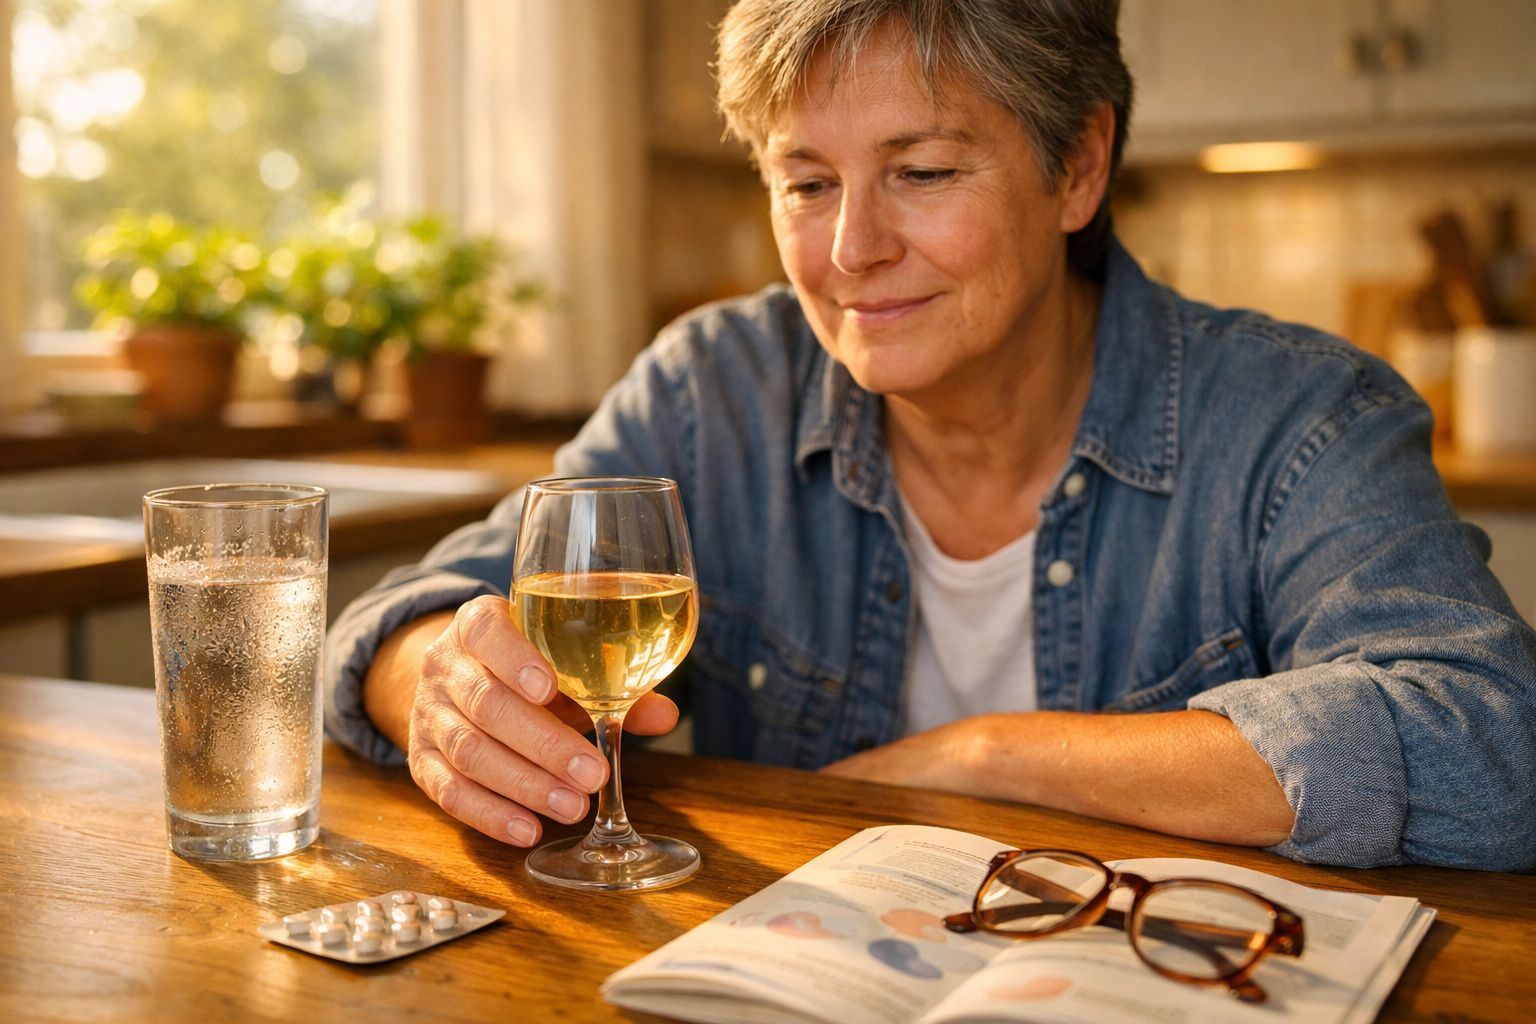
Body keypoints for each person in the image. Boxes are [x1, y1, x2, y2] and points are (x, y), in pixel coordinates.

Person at [324, 0, 1536, 872]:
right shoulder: (714, 388)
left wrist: (984, 757)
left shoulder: (1299, 422)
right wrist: (435, 676)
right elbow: (429, 610)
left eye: (923, 171)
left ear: (1079, 166)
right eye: (806, 183)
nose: (852, 249)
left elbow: (1490, 747)